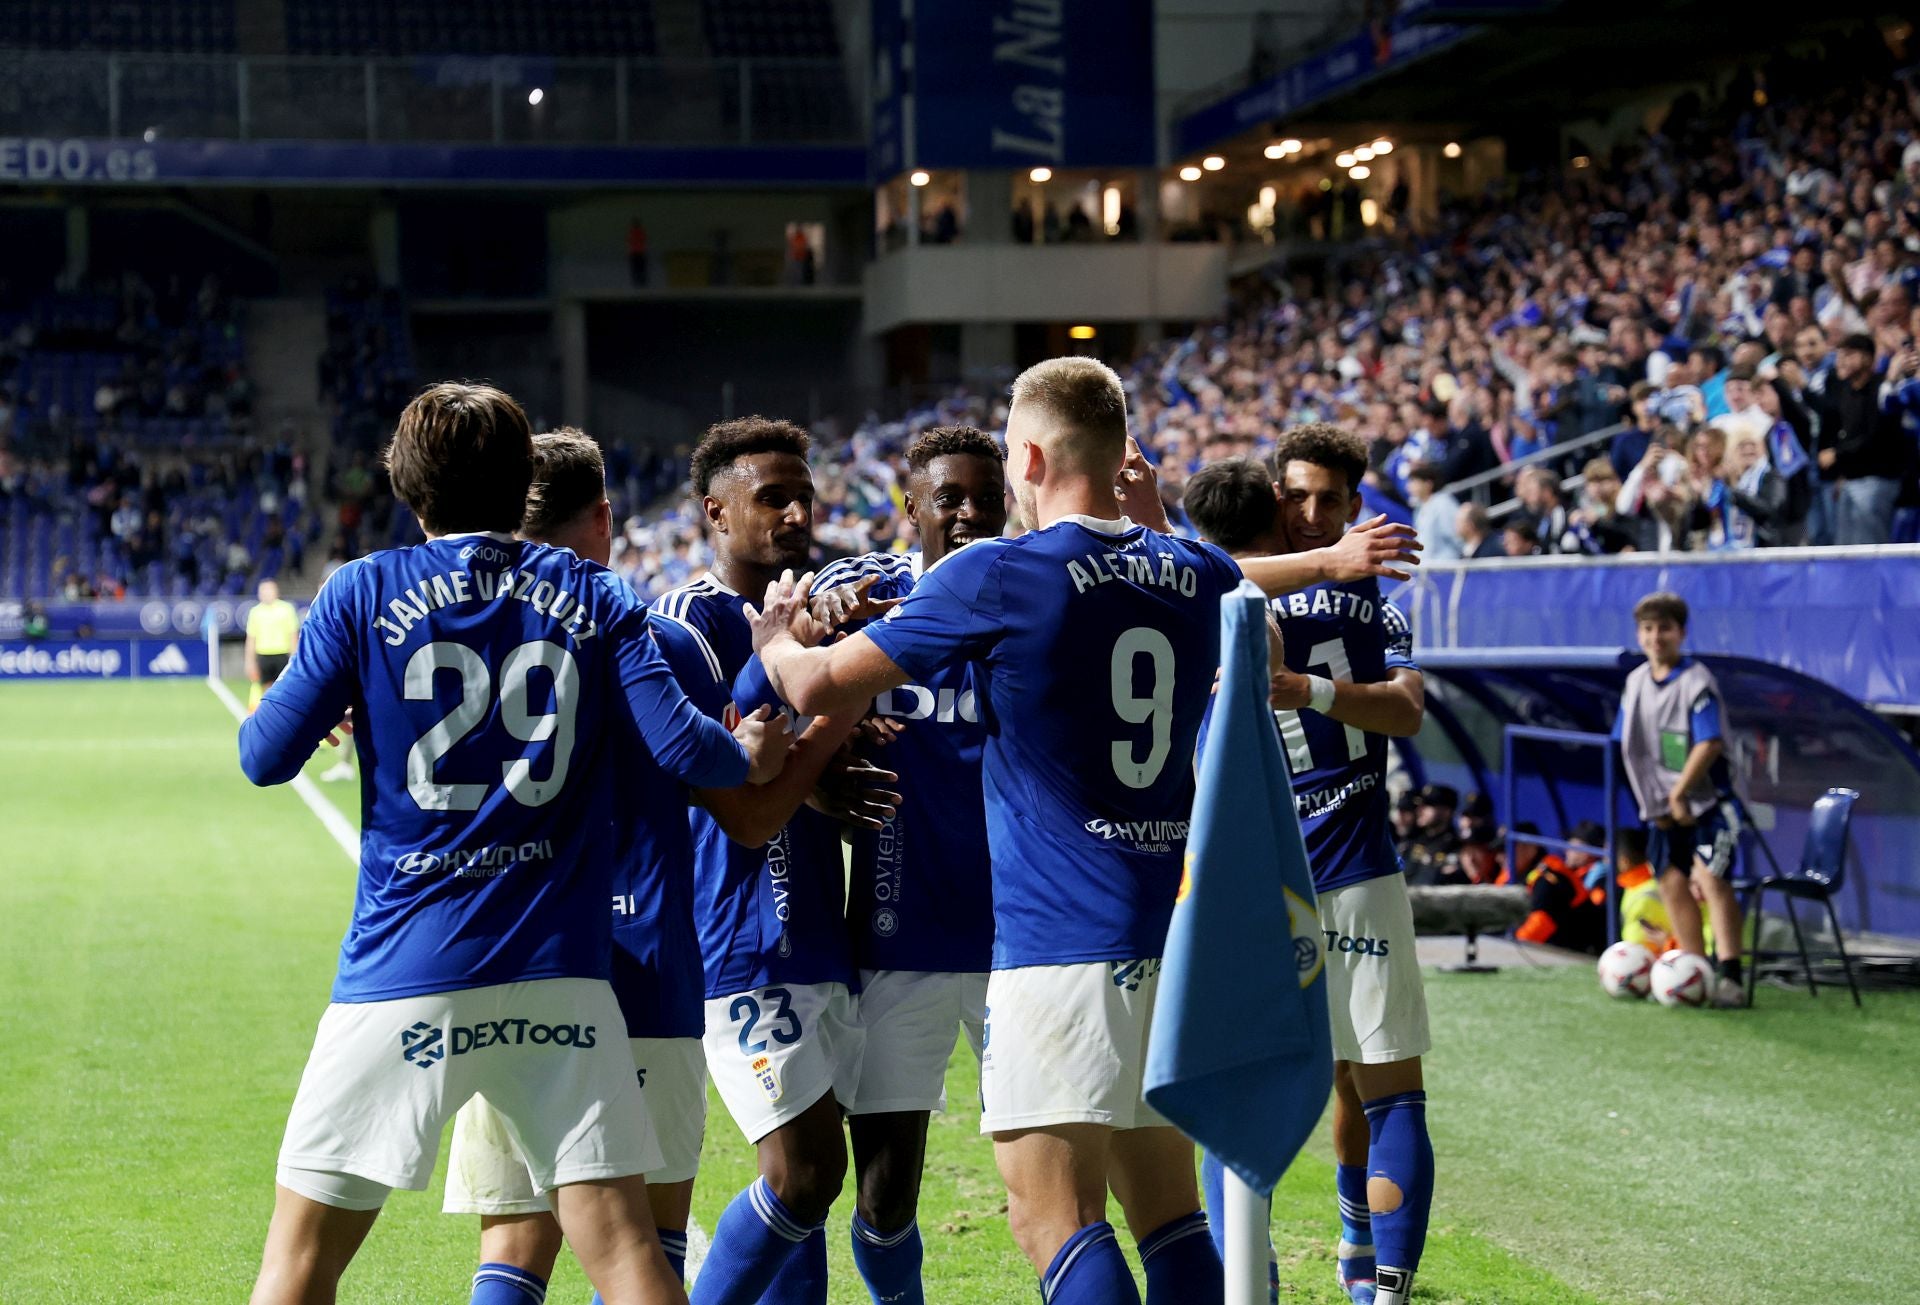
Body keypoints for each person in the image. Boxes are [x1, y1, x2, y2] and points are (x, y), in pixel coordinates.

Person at [743, 357, 1420, 1305]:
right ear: (1121, 453)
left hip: (1058, 949)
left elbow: (814, 687)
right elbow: (1262, 651)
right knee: (1171, 1215)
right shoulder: (1199, 567)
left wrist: (777, 636)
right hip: (1171, 940)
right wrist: (1152, 548)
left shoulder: (998, 571)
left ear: (1025, 453)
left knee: (1053, 1218)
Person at [236, 383, 788, 1305]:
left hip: (404, 970)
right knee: (625, 1254)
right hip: (560, 978)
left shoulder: (361, 590)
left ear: (409, 492)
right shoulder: (593, 590)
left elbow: (263, 756)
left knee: (299, 1262)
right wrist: (751, 748)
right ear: (520, 481)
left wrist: (325, 698)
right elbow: (686, 747)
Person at [438, 429, 864, 1305]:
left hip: (500, 964)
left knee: (517, 1244)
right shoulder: (644, 639)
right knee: (642, 1245)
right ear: (603, 517)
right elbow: (741, 809)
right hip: (640, 965)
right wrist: (808, 741)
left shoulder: (464, 642)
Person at [648, 417, 896, 1305]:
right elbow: (712, 763)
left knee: (812, 1193)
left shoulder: (820, 618)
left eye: (805, 496)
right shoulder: (685, 621)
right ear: (717, 511)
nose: (797, 512)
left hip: (818, 926)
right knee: (804, 1170)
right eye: (772, 498)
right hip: (737, 926)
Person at [1182, 435, 1433, 1305]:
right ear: (1274, 496)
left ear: (1355, 500)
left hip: (1355, 864)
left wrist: (1313, 691)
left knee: (1379, 1085)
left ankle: (1374, 1272)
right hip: (1259, 878)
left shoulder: (1347, 583)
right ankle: (1261, 1278)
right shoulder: (1246, 578)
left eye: (1332, 500)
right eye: (1299, 497)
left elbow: (1407, 709)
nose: (1314, 514)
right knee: (1265, 1084)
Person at [795, 425, 1007, 1305]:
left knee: (1065, 1178)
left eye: (980, 497)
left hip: (1022, 939)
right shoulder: (866, 593)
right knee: (885, 1196)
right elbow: (779, 690)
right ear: (909, 504)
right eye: (946, 497)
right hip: (896, 933)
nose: (964, 512)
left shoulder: (1032, 590)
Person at [1614, 592, 1745, 1008]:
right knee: (1670, 880)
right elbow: (1627, 745)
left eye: (1665, 629)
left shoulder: (1697, 682)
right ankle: (1694, 968)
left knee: (1710, 878)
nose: (1656, 637)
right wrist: (1657, 804)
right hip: (1662, 808)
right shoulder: (1635, 683)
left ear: (1681, 633)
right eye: (1648, 629)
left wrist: (1680, 792)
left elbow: (1709, 743)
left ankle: (1731, 977)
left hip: (1709, 802)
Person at [245, 578, 300, 713]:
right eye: (263, 590)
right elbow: (251, 638)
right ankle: (269, 715)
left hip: (282, 654)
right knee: (265, 689)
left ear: (276, 591)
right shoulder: (255, 612)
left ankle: (284, 714)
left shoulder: (287, 609)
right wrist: (249, 661)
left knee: (284, 688)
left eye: (269, 589)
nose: (266, 593)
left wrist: (295, 658)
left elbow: (293, 635)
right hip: (263, 655)